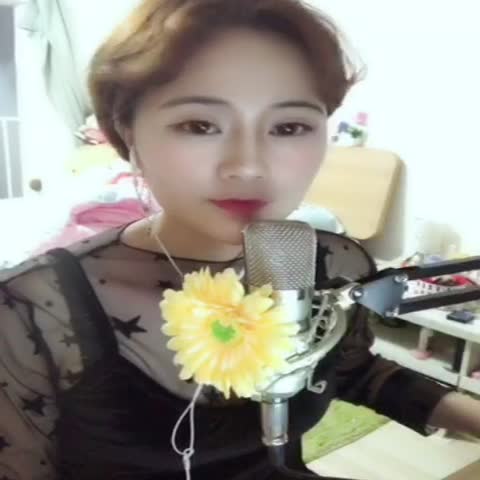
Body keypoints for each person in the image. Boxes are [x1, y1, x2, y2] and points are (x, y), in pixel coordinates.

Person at [1, 0, 479, 479]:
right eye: (199, 125)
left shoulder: (332, 263)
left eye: (289, 127)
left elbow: (351, 369)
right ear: (128, 134)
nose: (249, 166)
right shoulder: (34, 309)